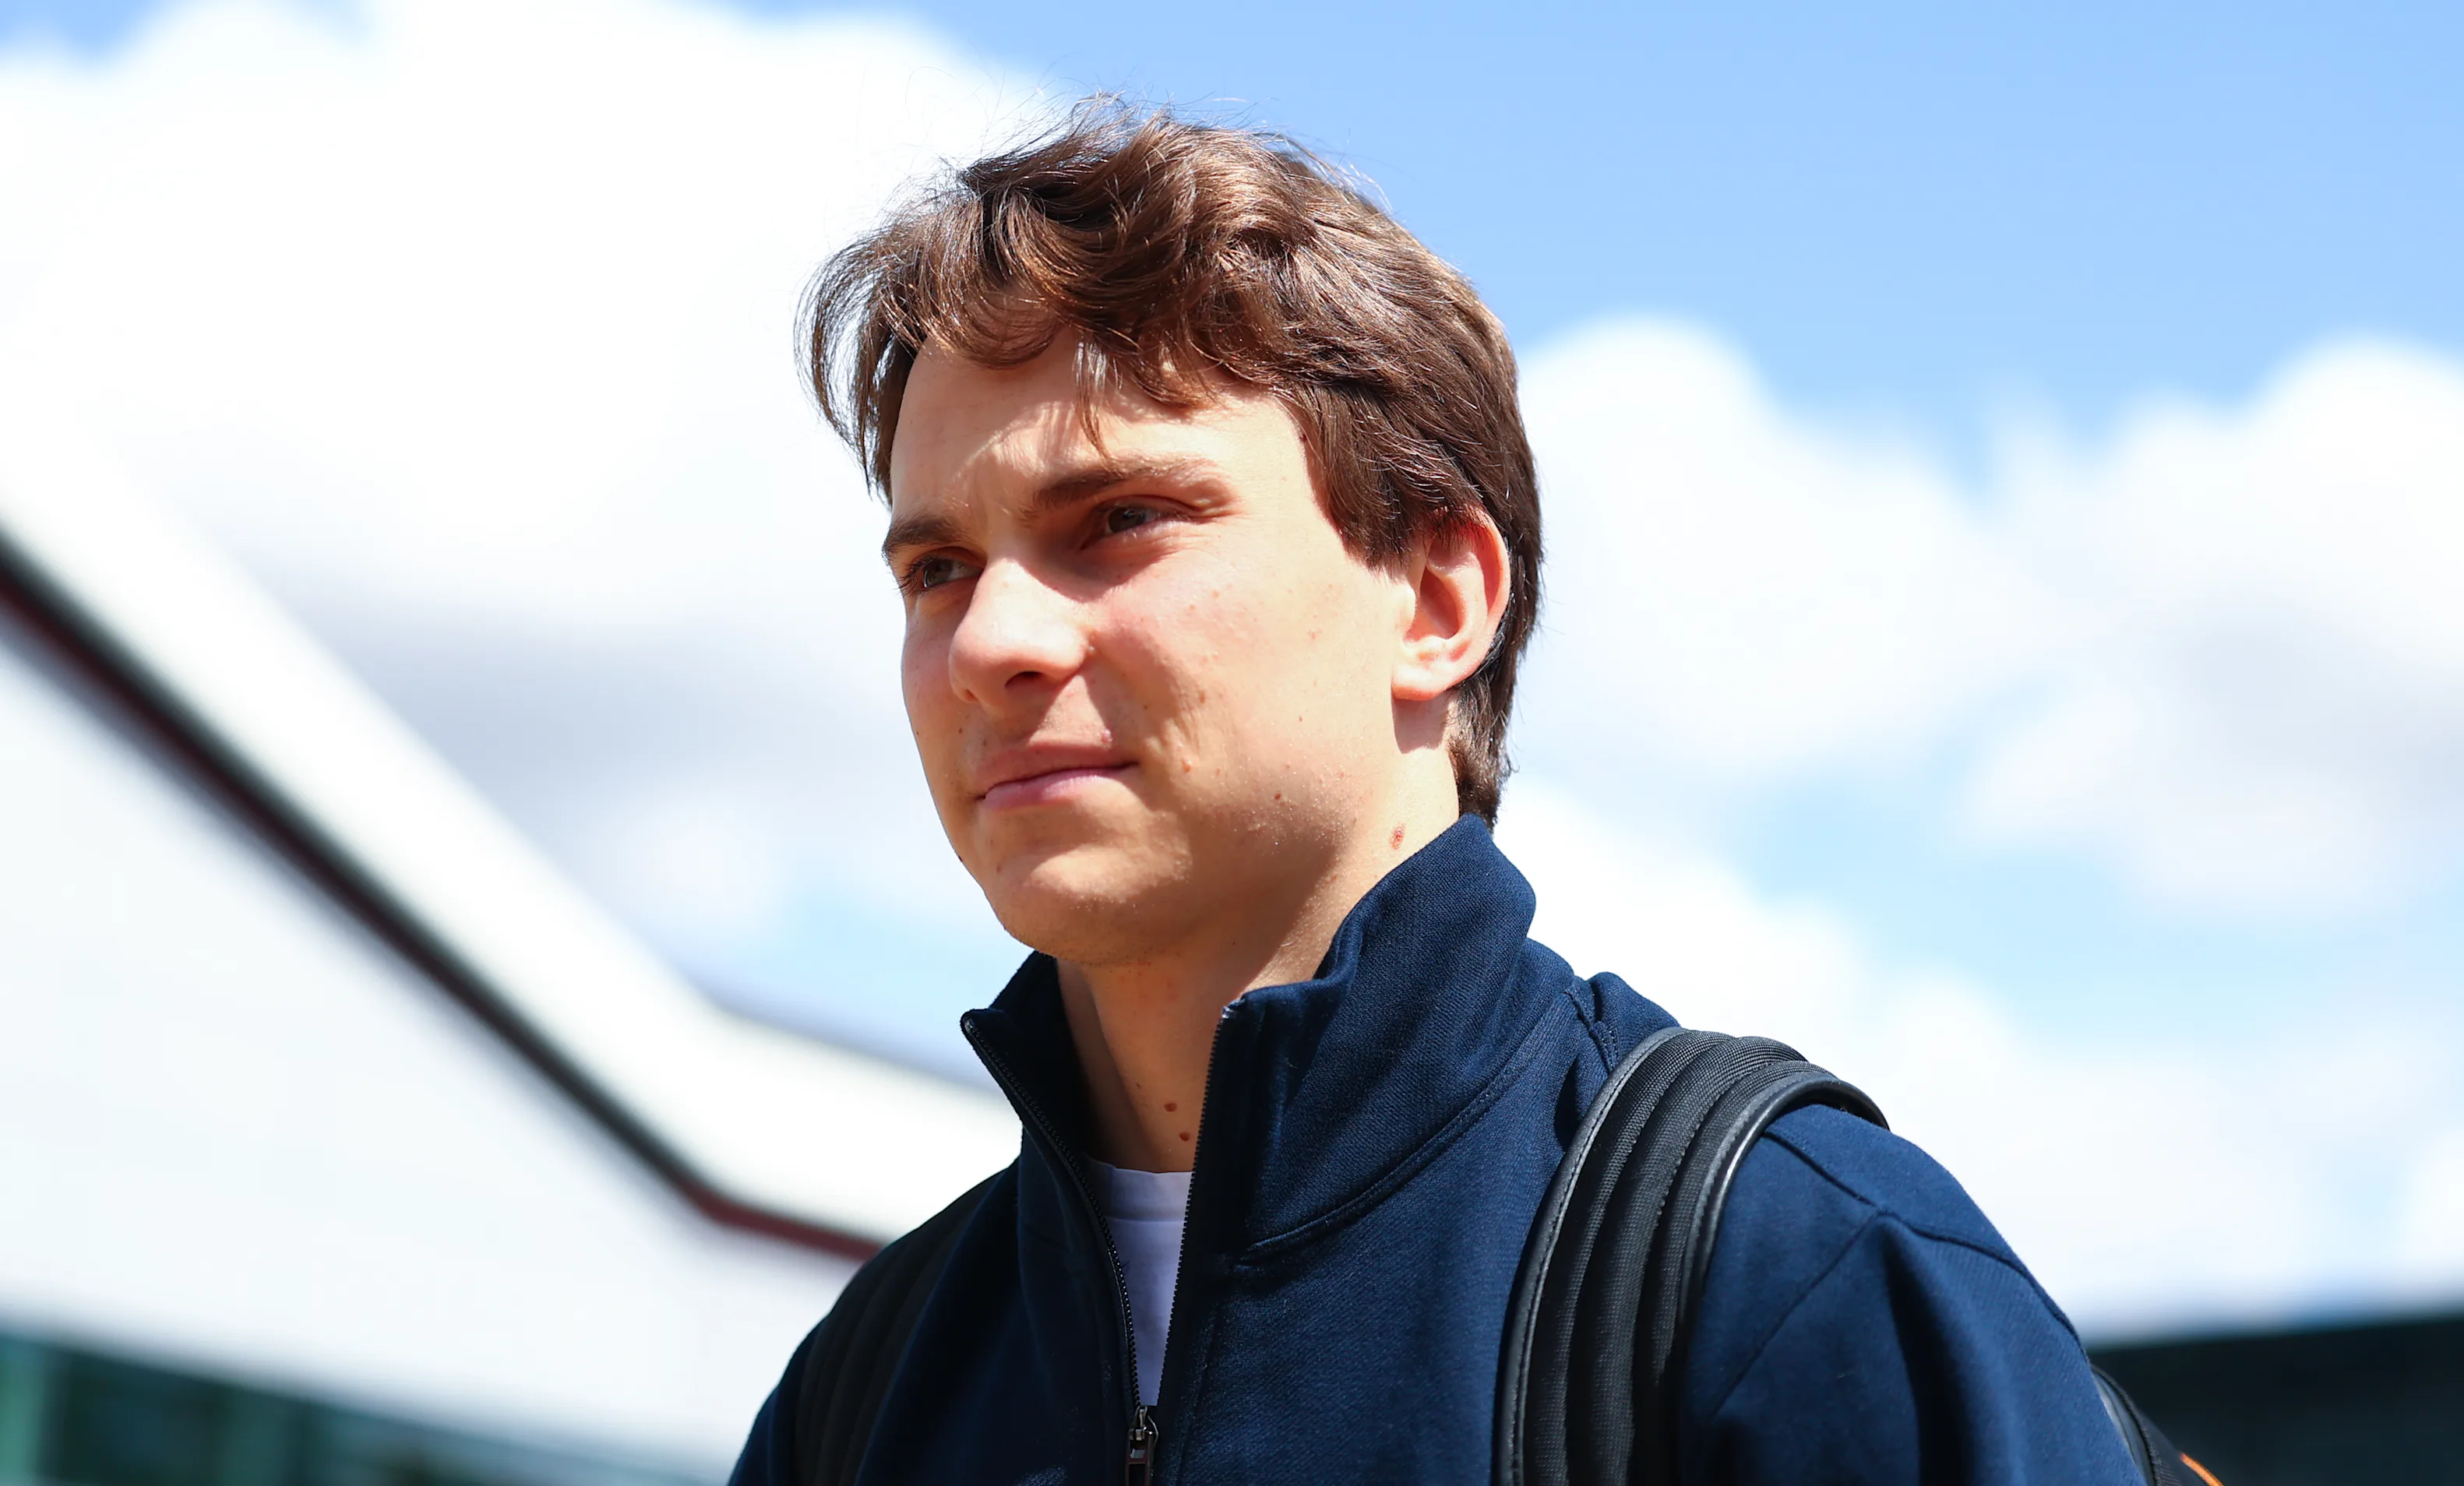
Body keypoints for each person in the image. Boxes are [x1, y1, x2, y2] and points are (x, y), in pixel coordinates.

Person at [732, 101, 2138, 1484]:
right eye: (938, 571)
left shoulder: (1796, 1279)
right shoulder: (864, 1394)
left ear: (1437, 601)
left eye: (1118, 522)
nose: (989, 646)